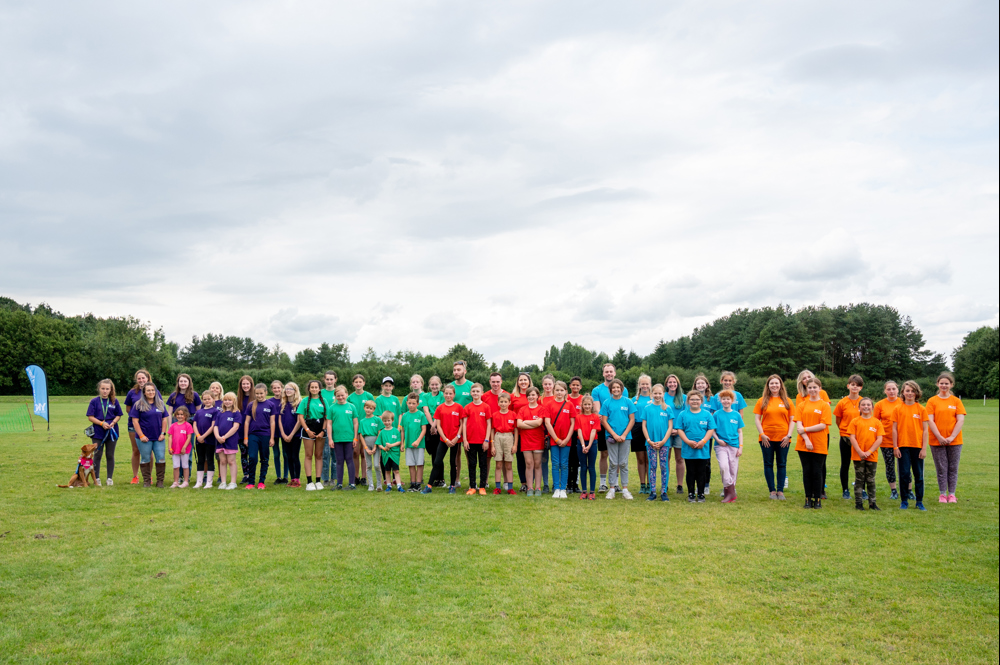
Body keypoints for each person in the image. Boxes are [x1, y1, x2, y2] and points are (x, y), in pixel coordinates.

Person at [926, 371, 966, 504]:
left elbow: (960, 420)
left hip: (955, 441)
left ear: (951, 385)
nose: (944, 385)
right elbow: (930, 420)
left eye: (946, 383)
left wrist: (952, 436)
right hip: (936, 441)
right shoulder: (932, 401)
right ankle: (942, 494)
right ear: (937, 384)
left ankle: (952, 494)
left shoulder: (956, 401)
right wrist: (940, 437)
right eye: (941, 383)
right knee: (941, 468)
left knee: (953, 468)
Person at [753, 375, 795, 500]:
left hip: (784, 439)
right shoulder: (762, 400)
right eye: (772, 383)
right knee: (768, 464)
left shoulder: (787, 401)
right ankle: (772, 491)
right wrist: (762, 434)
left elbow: (793, 419)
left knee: (782, 464)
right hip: (767, 439)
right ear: (768, 386)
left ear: (781, 385)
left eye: (777, 383)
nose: (774, 385)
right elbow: (757, 419)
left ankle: (780, 491)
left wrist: (789, 435)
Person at [794, 377, 833, 509]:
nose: (812, 389)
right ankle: (807, 499)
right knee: (807, 471)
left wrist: (805, 429)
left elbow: (823, 425)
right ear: (807, 389)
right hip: (803, 443)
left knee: (817, 471)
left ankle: (817, 499)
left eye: (815, 387)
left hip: (819, 443)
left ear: (820, 389)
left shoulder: (824, 405)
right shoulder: (801, 405)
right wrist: (806, 438)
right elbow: (798, 425)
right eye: (810, 387)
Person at [591, 363, 629, 492]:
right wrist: (608, 424)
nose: (609, 374)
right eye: (606, 372)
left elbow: (625, 410)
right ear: (603, 373)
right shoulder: (597, 390)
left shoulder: (624, 389)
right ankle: (603, 483)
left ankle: (616, 483)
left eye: (611, 371)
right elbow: (598, 411)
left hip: (620, 428)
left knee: (617, 456)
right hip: (603, 427)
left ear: (615, 373)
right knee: (604, 454)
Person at [892, 380, 929, 511]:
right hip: (902, 446)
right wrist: (895, 447)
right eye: (907, 391)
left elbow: (925, 430)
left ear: (916, 393)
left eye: (913, 391)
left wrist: (924, 448)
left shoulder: (921, 409)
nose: (910, 393)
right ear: (902, 392)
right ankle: (904, 501)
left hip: (917, 446)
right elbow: (894, 429)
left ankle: (919, 501)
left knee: (918, 474)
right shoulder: (897, 408)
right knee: (904, 474)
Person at [674, 391, 716, 502]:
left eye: (697, 399)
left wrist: (703, 441)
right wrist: (687, 441)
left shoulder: (707, 414)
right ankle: (691, 493)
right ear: (688, 401)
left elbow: (711, 429)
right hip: (689, 449)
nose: (695, 401)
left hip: (703, 449)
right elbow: (680, 429)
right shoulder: (683, 414)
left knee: (702, 472)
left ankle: (701, 494)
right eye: (692, 399)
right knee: (691, 471)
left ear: (701, 401)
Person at [129, 383, 169, 488]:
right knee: (145, 458)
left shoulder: (160, 403)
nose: (151, 392)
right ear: (144, 392)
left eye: (152, 390)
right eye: (148, 390)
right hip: (144, 438)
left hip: (158, 437)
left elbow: (164, 419)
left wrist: (163, 433)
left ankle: (160, 482)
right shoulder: (138, 405)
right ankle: (146, 481)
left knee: (161, 458)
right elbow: (135, 421)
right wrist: (141, 435)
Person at [426, 384, 464, 494]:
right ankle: (429, 485)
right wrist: (446, 439)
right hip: (444, 440)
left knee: (453, 462)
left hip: (455, 441)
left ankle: (452, 486)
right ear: (443, 394)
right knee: (437, 461)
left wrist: (457, 438)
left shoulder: (458, 407)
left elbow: (462, 424)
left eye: (450, 393)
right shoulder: (440, 408)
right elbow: (439, 426)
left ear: (454, 394)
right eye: (446, 393)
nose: (448, 395)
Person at [601, 378, 636, 500]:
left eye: (618, 387)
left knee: (623, 463)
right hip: (611, 437)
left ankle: (625, 489)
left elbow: (632, 420)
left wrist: (624, 435)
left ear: (622, 389)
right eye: (613, 388)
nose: (616, 389)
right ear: (610, 390)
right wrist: (614, 435)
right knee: (613, 463)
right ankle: (611, 488)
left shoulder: (628, 402)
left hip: (626, 437)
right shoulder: (607, 403)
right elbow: (604, 421)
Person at [123, 369, 159, 485]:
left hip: (151, 426)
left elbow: (159, 407)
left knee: (149, 452)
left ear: (148, 378)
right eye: (139, 378)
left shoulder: (154, 390)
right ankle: (135, 476)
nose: (141, 380)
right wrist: (138, 418)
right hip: (134, 425)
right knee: (136, 450)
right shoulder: (132, 392)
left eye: (143, 378)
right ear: (136, 380)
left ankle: (149, 476)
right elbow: (128, 408)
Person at [848, 397, 883, 511]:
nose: (866, 407)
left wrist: (869, 452)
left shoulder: (877, 422)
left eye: (868, 405)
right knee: (859, 479)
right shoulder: (855, 421)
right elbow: (852, 437)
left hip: (872, 456)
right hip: (858, 455)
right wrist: (859, 451)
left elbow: (879, 439)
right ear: (859, 408)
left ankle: (872, 503)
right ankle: (859, 503)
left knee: (871, 479)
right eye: (863, 405)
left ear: (872, 407)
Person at [833, 375, 865, 499]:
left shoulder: (863, 401)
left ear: (860, 388)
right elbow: (838, 420)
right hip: (846, 437)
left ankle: (862, 489)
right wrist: (845, 431)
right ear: (848, 386)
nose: (854, 387)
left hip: (860, 438)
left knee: (861, 465)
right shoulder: (842, 402)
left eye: (857, 385)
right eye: (852, 384)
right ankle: (845, 490)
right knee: (845, 464)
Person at [544, 381, 577, 499]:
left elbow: (573, 423)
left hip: (566, 440)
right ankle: (556, 488)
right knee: (555, 464)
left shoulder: (569, 405)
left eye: (562, 390)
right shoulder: (549, 405)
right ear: (554, 391)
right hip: (554, 440)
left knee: (564, 464)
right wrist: (556, 439)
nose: (559, 392)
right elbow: (547, 423)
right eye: (557, 390)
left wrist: (567, 438)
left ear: (566, 392)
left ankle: (563, 488)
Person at [86, 379, 122, 487]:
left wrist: (113, 422)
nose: (105, 391)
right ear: (99, 389)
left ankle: (109, 478)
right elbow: (90, 417)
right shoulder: (94, 401)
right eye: (103, 389)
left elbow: (118, 414)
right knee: (97, 455)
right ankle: (96, 478)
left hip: (111, 431)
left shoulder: (114, 401)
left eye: (107, 389)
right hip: (98, 431)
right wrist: (102, 424)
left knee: (110, 455)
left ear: (110, 390)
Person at [641, 384, 672, 502]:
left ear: (663, 394)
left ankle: (663, 491)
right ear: (651, 394)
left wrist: (664, 440)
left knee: (664, 466)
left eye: (660, 393)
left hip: (664, 442)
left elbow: (670, 427)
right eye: (655, 393)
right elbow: (643, 425)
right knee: (652, 466)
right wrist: (649, 440)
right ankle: (652, 491)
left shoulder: (667, 408)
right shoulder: (647, 408)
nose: (657, 395)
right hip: (650, 443)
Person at [243, 383, 276, 490]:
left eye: (261, 393)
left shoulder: (271, 405)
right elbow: (247, 422)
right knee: (252, 457)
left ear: (266, 393)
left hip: (265, 435)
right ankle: (251, 482)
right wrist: (245, 437)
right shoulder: (251, 405)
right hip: (253, 435)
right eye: (257, 393)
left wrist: (272, 438)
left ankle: (261, 481)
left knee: (264, 458)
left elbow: (272, 422)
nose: (259, 395)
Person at [873, 381, 902, 500]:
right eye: (889, 389)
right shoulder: (880, 404)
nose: (891, 391)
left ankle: (909, 490)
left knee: (904, 466)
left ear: (897, 390)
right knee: (890, 465)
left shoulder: (902, 402)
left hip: (902, 441)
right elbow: (875, 422)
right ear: (885, 391)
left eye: (893, 389)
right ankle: (894, 490)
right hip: (886, 441)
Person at [713, 390, 744, 503]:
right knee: (724, 467)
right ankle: (731, 492)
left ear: (732, 401)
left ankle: (729, 493)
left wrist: (740, 447)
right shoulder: (716, 414)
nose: (726, 401)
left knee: (733, 469)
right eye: (724, 399)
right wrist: (718, 440)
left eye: (728, 399)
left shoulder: (736, 415)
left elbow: (740, 431)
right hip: (720, 446)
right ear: (720, 401)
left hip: (734, 446)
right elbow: (712, 430)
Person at [327, 385, 360, 490]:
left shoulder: (351, 407)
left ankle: (352, 484)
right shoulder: (332, 408)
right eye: (338, 396)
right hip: (337, 439)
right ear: (335, 396)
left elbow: (355, 423)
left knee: (349, 459)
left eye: (342, 395)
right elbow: (329, 424)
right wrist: (330, 439)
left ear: (346, 394)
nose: (341, 397)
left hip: (349, 438)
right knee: (339, 460)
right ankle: (339, 484)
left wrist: (355, 438)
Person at [297, 380, 327, 490]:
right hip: (308, 429)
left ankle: (318, 481)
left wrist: (323, 431)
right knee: (308, 455)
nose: (314, 389)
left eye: (316, 387)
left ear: (319, 389)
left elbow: (326, 417)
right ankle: (309, 482)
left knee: (319, 455)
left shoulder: (323, 401)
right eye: (312, 387)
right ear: (309, 389)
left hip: (320, 430)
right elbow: (300, 417)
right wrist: (307, 430)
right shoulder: (304, 401)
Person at [462, 384, 492, 495]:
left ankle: (482, 487)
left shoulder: (486, 407)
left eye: (477, 391)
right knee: (472, 464)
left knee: (483, 464)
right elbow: (464, 424)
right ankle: (473, 486)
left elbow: (489, 424)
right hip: (470, 441)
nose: (475, 393)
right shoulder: (467, 407)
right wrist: (465, 440)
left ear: (481, 393)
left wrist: (486, 440)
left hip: (482, 441)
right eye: (473, 391)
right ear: (471, 393)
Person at [517, 387, 546, 497]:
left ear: (538, 396)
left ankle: (538, 487)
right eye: (529, 395)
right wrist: (532, 423)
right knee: (529, 464)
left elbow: (539, 423)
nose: (531, 397)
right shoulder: (522, 409)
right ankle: (529, 487)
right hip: (526, 440)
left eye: (533, 395)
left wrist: (525, 422)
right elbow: (519, 424)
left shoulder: (541, 409)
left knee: (537, 464)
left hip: (538, 440)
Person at [509, 373, 534, 492]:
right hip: (518, 432)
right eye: (521, 380)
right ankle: (523, 482)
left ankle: (532, 482)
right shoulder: (513, 396)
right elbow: (509, 413)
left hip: (532, 432)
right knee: (520, 458)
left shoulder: (534, 395)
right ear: (517, 382)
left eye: (525, 380)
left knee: (531, 459)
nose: (523, 382)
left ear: (529, 381)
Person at [349, 374, 375, 486]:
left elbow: (374, 411)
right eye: (356, 382)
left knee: (364, 453)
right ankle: (356, 476)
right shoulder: (350, 397)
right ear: (353, 384)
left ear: (364, 383)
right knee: (355, 452)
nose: (358, 383)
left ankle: (364, 477)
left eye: (360, 381)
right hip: (354, 428)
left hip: (366, 429)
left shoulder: (369, 395)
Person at [691, 374, 715, 493]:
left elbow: (714, 416)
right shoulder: (691, 398)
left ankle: (706, 484)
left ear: (707, 385)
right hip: (693, 435)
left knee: (706, 460)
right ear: (695, 385)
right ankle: (695, 485)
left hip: (706, 436)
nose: (700, 385)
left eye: (702, 383)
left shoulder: (712, 399)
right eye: (698, 383)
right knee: (693, 461)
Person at [419, 376, 445, 487]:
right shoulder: (425, 396)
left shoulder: (443, 396)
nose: (434, 386)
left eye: (436, 384)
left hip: (440, 426)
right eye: (432, 385)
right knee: (432, 452)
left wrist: (435, 426)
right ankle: (436, 478)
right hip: (429, 426)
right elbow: (426, 411)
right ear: (429, 386)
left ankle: (441, 479)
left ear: (440, 385)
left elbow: (440, 411)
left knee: (438, 454)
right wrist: (431, 426)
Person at [400, 392, 428, 491]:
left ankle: (418, 484)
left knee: (419, 464)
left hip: (419, 444)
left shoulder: (421, 415)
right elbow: (402, 430)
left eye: (413, 403)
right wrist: (402, 443)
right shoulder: (405, 416)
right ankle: (413, 483)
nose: (411, 405)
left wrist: (418, 441)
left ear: (417, 404)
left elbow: (424, 429)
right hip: (408, 444)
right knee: (411, 464)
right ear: (407, 403)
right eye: (409, 403)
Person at [491, 393, 518, 495]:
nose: (503, 403)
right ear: (498, 403)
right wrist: (492, 445)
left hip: (509, 437)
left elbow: (516, 431)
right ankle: (497, 487)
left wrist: (515, 445)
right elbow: (492, 430)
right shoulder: (495, 415)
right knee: (498, 464)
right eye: (501, 402)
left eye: (505, 402)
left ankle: (510, 487)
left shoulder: (513, 414)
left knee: (508, 464)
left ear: (509, 403)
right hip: (498, 437)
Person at [213, 393, 242, 490]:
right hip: (220, 441)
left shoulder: (236, 413)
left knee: (231, 461)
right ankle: (223, 482)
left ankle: (233, 482)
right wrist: (217, 436)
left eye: (230, 400)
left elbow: (235, 427)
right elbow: (215, 426)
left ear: (234, 401)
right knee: (222, 461)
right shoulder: (220, 413)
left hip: (231, 440)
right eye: (225, 400)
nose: (227, 402)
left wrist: (224, 437)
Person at [576, 395, 601, 500]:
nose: (587, 406)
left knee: (591, 467)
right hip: (581, 443)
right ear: (582, 405)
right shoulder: (578, 417)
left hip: (592, 443)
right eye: (585, 404)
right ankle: (584, 491)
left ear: (592, 405)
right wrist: (583, 445)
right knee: (583, 467)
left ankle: (592, 492)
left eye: (589, 404)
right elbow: (579, 431)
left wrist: (589, 445)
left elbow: (593, 431)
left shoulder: (595, 417)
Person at [664, 374, 687, 494]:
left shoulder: (684, 398)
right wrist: (669, 429)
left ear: (677, 384)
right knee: (666, 459)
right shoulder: (662, 397)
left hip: (680, 432)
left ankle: (679, 485)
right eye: (670, 382)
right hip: (666, 432)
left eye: (674, 382)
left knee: (679, 459)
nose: (672, 384)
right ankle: (665, 483)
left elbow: (687, 416)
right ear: (666, 384)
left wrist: (678, 430)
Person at [277, 382, 303, 488]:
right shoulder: (282, 403)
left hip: (295, 436)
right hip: (284, 435)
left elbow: (299, 421)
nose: (287, 391)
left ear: (295, 391)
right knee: (288, 457)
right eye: (286, 389)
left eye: (290, 389)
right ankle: (292, 479)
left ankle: (297, 479)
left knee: (295, 456)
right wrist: (283, 434)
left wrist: (291, 434)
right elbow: (279, 420)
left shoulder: (299, 403)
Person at [192, 391, 218, 489]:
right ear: (202, 400)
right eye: (205, 399)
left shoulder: (215, 411)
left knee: (210, 459)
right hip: (199, 440)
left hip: (209, 440)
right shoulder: (199, 412)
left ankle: (209, 482)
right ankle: (199, 482)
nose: (207, 401)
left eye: (209, 399)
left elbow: (213, 426)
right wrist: (198, 436)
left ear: (213, 399)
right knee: (200, 460)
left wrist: (204, 436)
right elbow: (194, 424)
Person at [632, 374, 652, 495]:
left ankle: (650, 484)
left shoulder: (654, 399)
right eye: (642, 384)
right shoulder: (633, 400)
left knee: (649, 458)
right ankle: (642, 484)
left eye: (647, 384)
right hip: (637, 428)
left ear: (650, 385)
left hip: (650, 428)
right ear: (639, 385)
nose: (644, 386)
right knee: (640, 459)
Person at [377, 411, 405, 493]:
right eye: (385, 421)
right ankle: (388, 485)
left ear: (392, 420)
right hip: (385, 455)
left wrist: (391, 445)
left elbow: (399, 441)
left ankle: (399, 486)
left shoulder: (396, 431)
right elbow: (379, 444)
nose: (387, 422)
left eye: (388, 420)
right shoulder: (382, 432)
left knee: (396, 470)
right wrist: (385, 448)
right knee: (387, 471)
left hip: (394, 454)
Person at [234, 374, 255, 485]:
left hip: (253, 432)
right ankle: (245, 475)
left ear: (251, 385)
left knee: (252, 455)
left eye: (247, 384)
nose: (245, 386)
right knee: (243, 454)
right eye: (243, 384)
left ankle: (253, 474)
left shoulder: (256, 398)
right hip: (240, 432)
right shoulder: (237, 400)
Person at [167, 407, 194, 488]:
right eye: (178, 414)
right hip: (175, 449)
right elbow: (170, 437)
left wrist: (184, 447)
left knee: (185, 466)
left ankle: (186, 481)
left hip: (184, 450)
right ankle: (176, 481)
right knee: (176, 466)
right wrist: (169, 448)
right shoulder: (173, 426)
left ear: (185, 415)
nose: (180, 416)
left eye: (182, 414)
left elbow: (189, 437)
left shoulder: (188, 425)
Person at [268, 380, 288, 485]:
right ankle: (278, 476)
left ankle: (286, 476)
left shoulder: (286, 400)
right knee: (276, 454)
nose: (276, 390)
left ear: (282, 388)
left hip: (284, 430)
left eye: (278, 387)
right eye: (274, 388)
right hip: (273, 431)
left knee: (285, 454)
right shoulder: (269, 402)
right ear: (272, 389)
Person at [359, 401, 383, 491]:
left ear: (374, 410)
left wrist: (375, 446)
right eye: (367, 408)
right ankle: (371, 485)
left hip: (375, 443)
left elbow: (379, 433)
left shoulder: (377, 419)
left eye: (371, 408)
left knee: (376, 465)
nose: (368, 410)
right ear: (364, 408)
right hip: (366, 443)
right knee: (368, 465)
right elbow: (361, 435)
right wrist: (365, 447)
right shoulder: (362, 421)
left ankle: (379, 484)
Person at [319, 370, 338, 484]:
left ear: (335, 380)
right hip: (324, 427)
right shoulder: (320, 393)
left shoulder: (339, 392)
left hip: (337, 428)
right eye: (327, 379)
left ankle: (333, 478)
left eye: (331, 379)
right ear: (324, 380)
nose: (329, 381)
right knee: (324, 454)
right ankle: (325, 478)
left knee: (335, 455)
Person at [566, 377, 584, 493]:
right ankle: (568, 483)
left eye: (577, 385)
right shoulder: (565, 398)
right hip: (568, 433)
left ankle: (576, 484)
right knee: (568, 459)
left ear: (580, 387)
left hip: (579, 433)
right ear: (570, 386)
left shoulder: (583, 399)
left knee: (577, 461)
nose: (575, 387)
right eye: (573, 385)